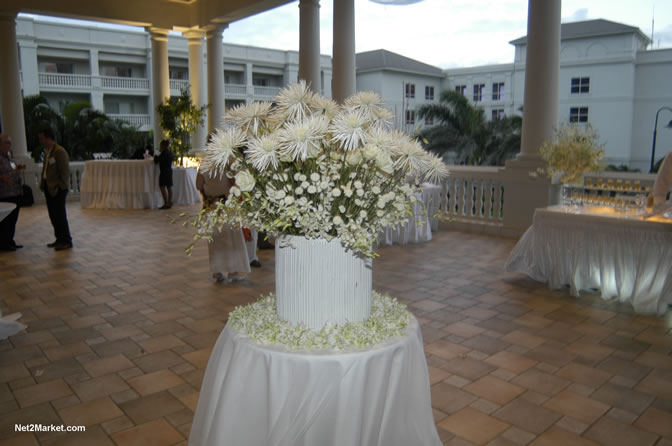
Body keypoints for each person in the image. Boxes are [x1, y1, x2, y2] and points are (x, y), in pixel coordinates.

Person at [196, 165, 251, 283]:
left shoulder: (204, 164)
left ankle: (218, 271)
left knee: (216, 240)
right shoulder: (225, 164)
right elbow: (233, 185)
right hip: (226, 205)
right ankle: (233, 271)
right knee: (231, 239)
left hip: (210, 206)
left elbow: (198, 185)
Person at [38, 128, 73, 251]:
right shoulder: (48, 151)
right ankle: (59, 239)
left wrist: (61, 187)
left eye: (42, 138)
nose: (40, 141)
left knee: (60, 215)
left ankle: (66, 241)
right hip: (49, 188)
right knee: (53, 215)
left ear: (48, 138)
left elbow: (65, 171)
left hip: (57, 189)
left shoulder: (59, 151)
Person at [0, 134, 25, 251]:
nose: (10, 145)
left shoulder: (8, 156)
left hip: (15, 192)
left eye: (10, 143)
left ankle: (10, 240)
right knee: (6, 221)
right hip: (6, 193)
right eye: (7, 143)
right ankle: (4, 243)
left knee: (13, 220)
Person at [154, 139, 173, 209]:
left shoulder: (163, 153)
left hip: (164, 172)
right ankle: (169, 202)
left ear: (163, 145)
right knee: (169, 187)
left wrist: (156, 155)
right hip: (169, 171)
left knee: (162, 187)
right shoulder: (170, 153)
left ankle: (166, 203)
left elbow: (156, 161)